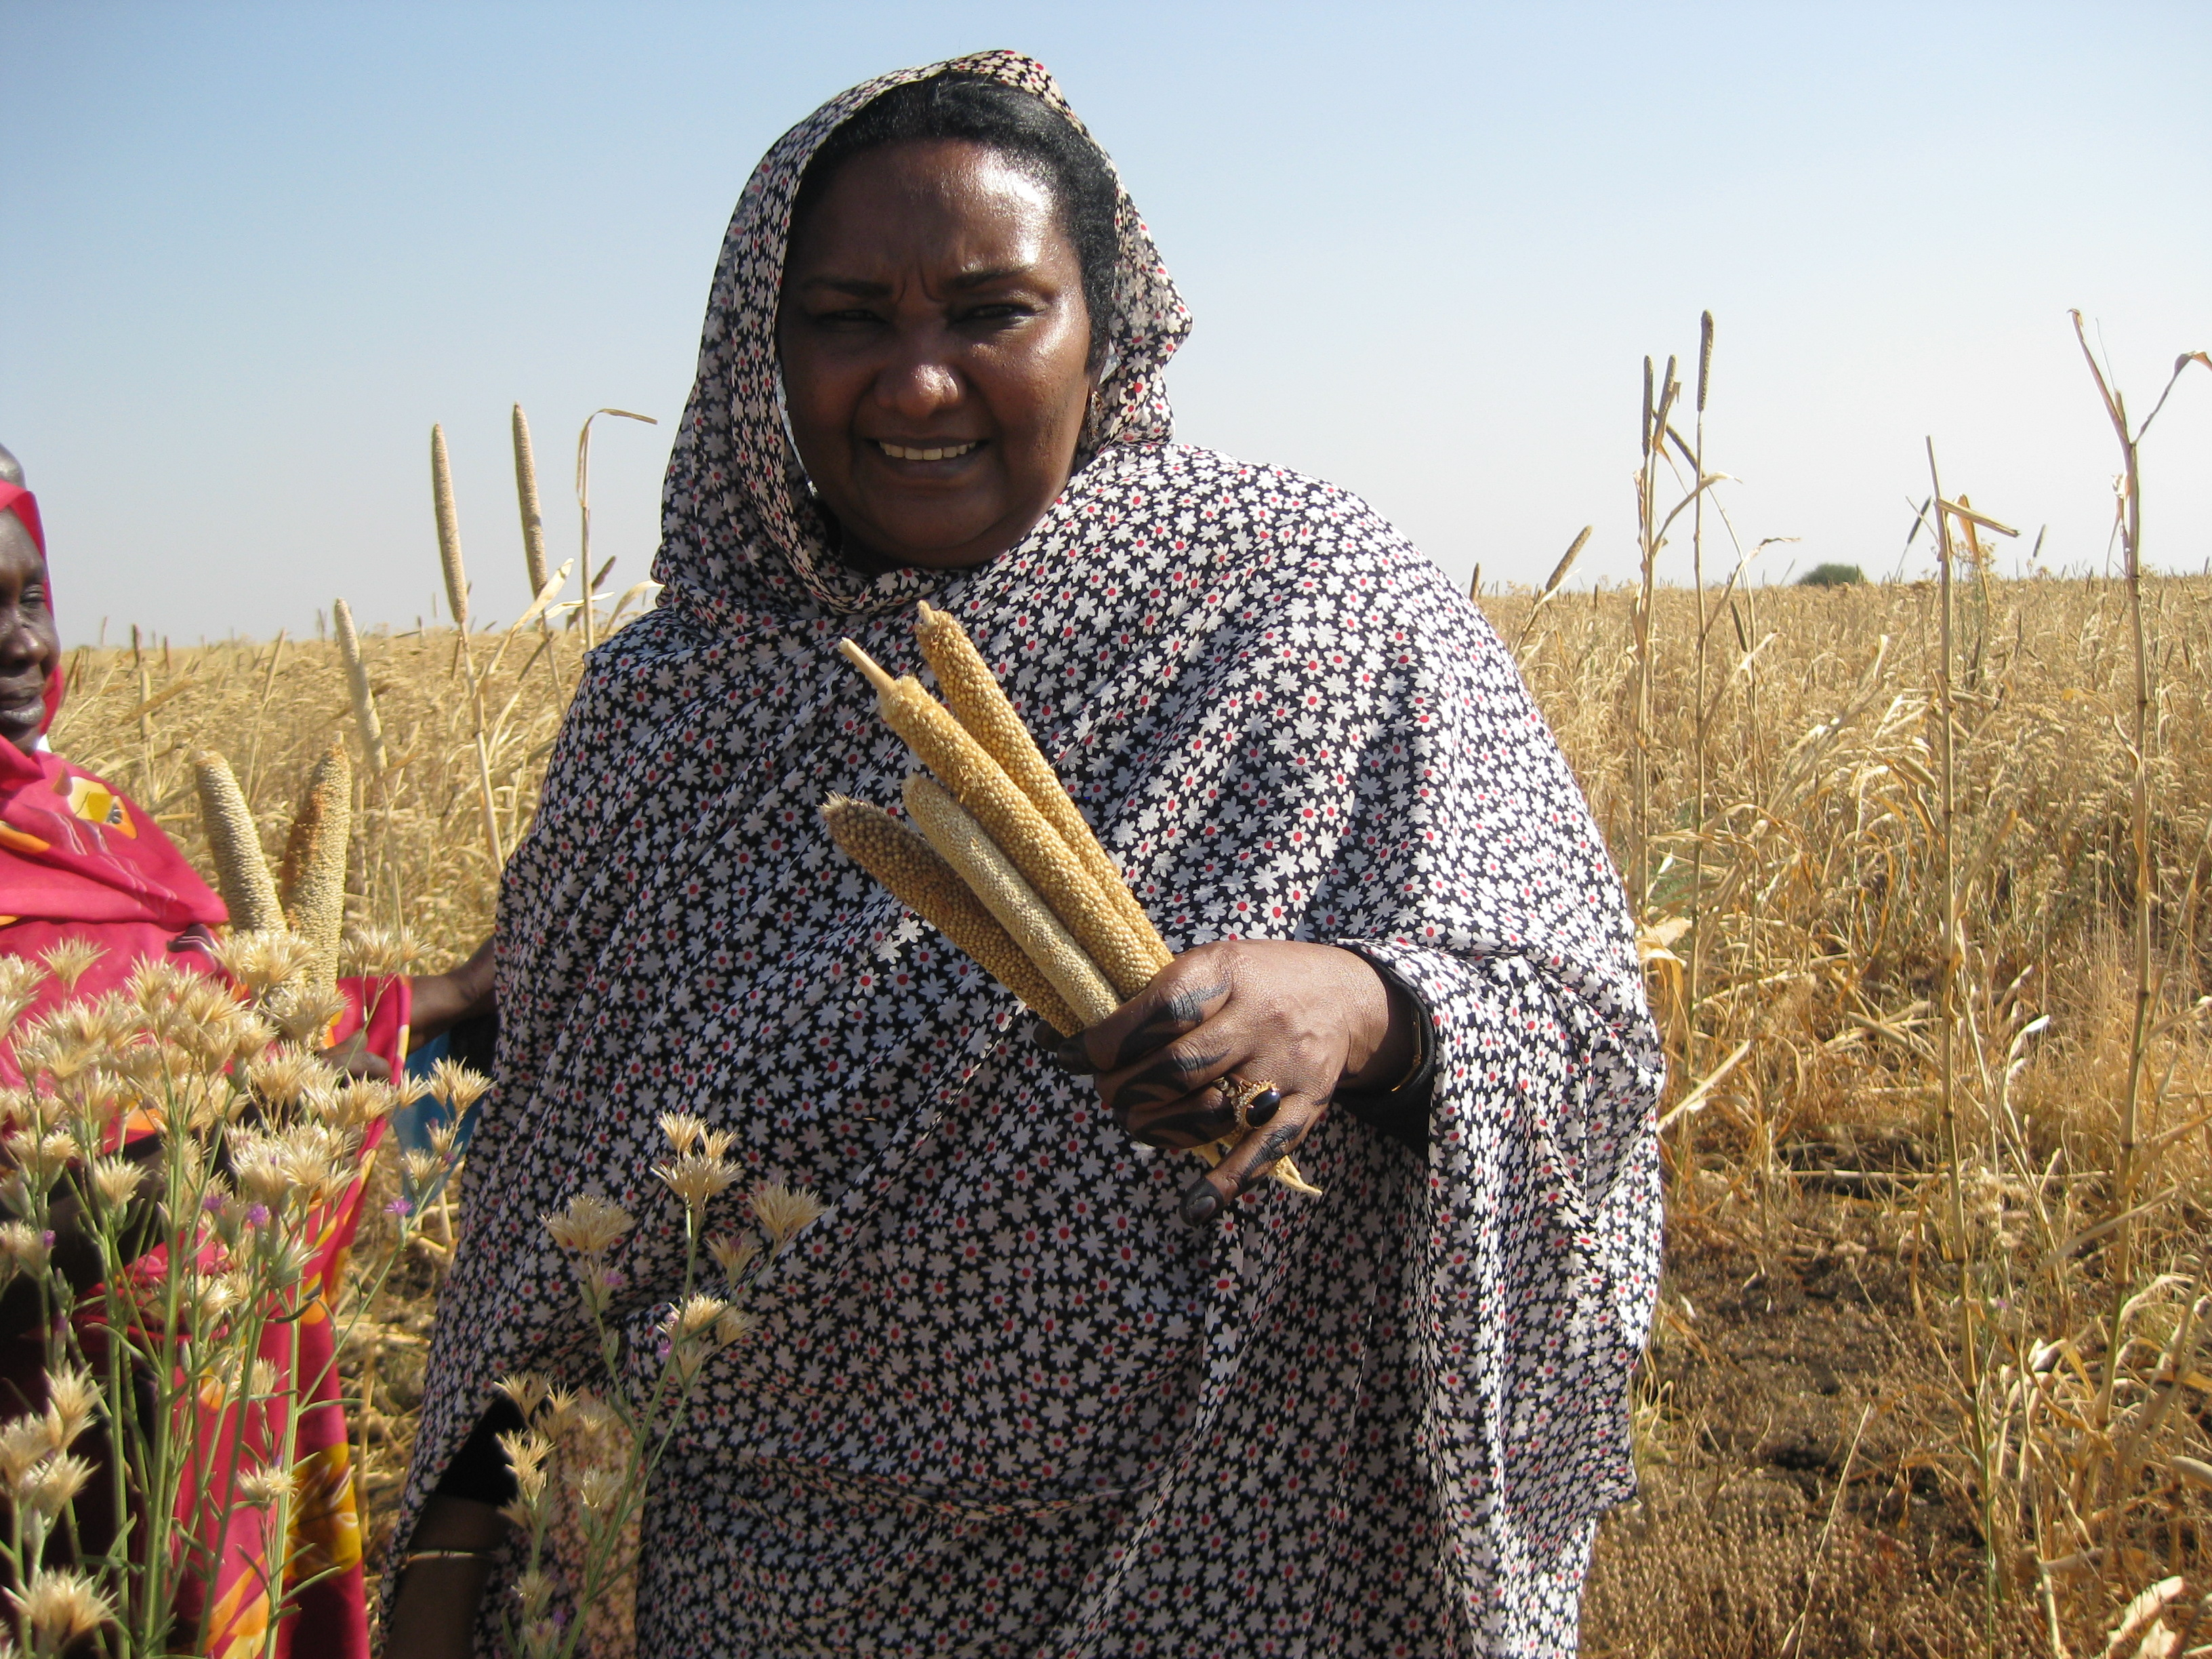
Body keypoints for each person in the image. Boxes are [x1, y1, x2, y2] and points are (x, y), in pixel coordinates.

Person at [393, 53, 1662, 1658]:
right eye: (849, 319)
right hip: (774, 1599)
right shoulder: (670, 708)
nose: (920, 385)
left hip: (1245, 1566)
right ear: (761, 353)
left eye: (994, 312)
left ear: (1101, 329)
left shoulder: (1311, 604)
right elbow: (547, 1225)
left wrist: (1363, 1011)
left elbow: (1586, 1038)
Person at [0, 445, 493, 1656]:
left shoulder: (87, 824)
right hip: (69, 1466)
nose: (19, 641)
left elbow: (235, 1020)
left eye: (29, 595)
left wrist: (443, 995)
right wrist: (224, 1152)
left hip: (229, 1424)